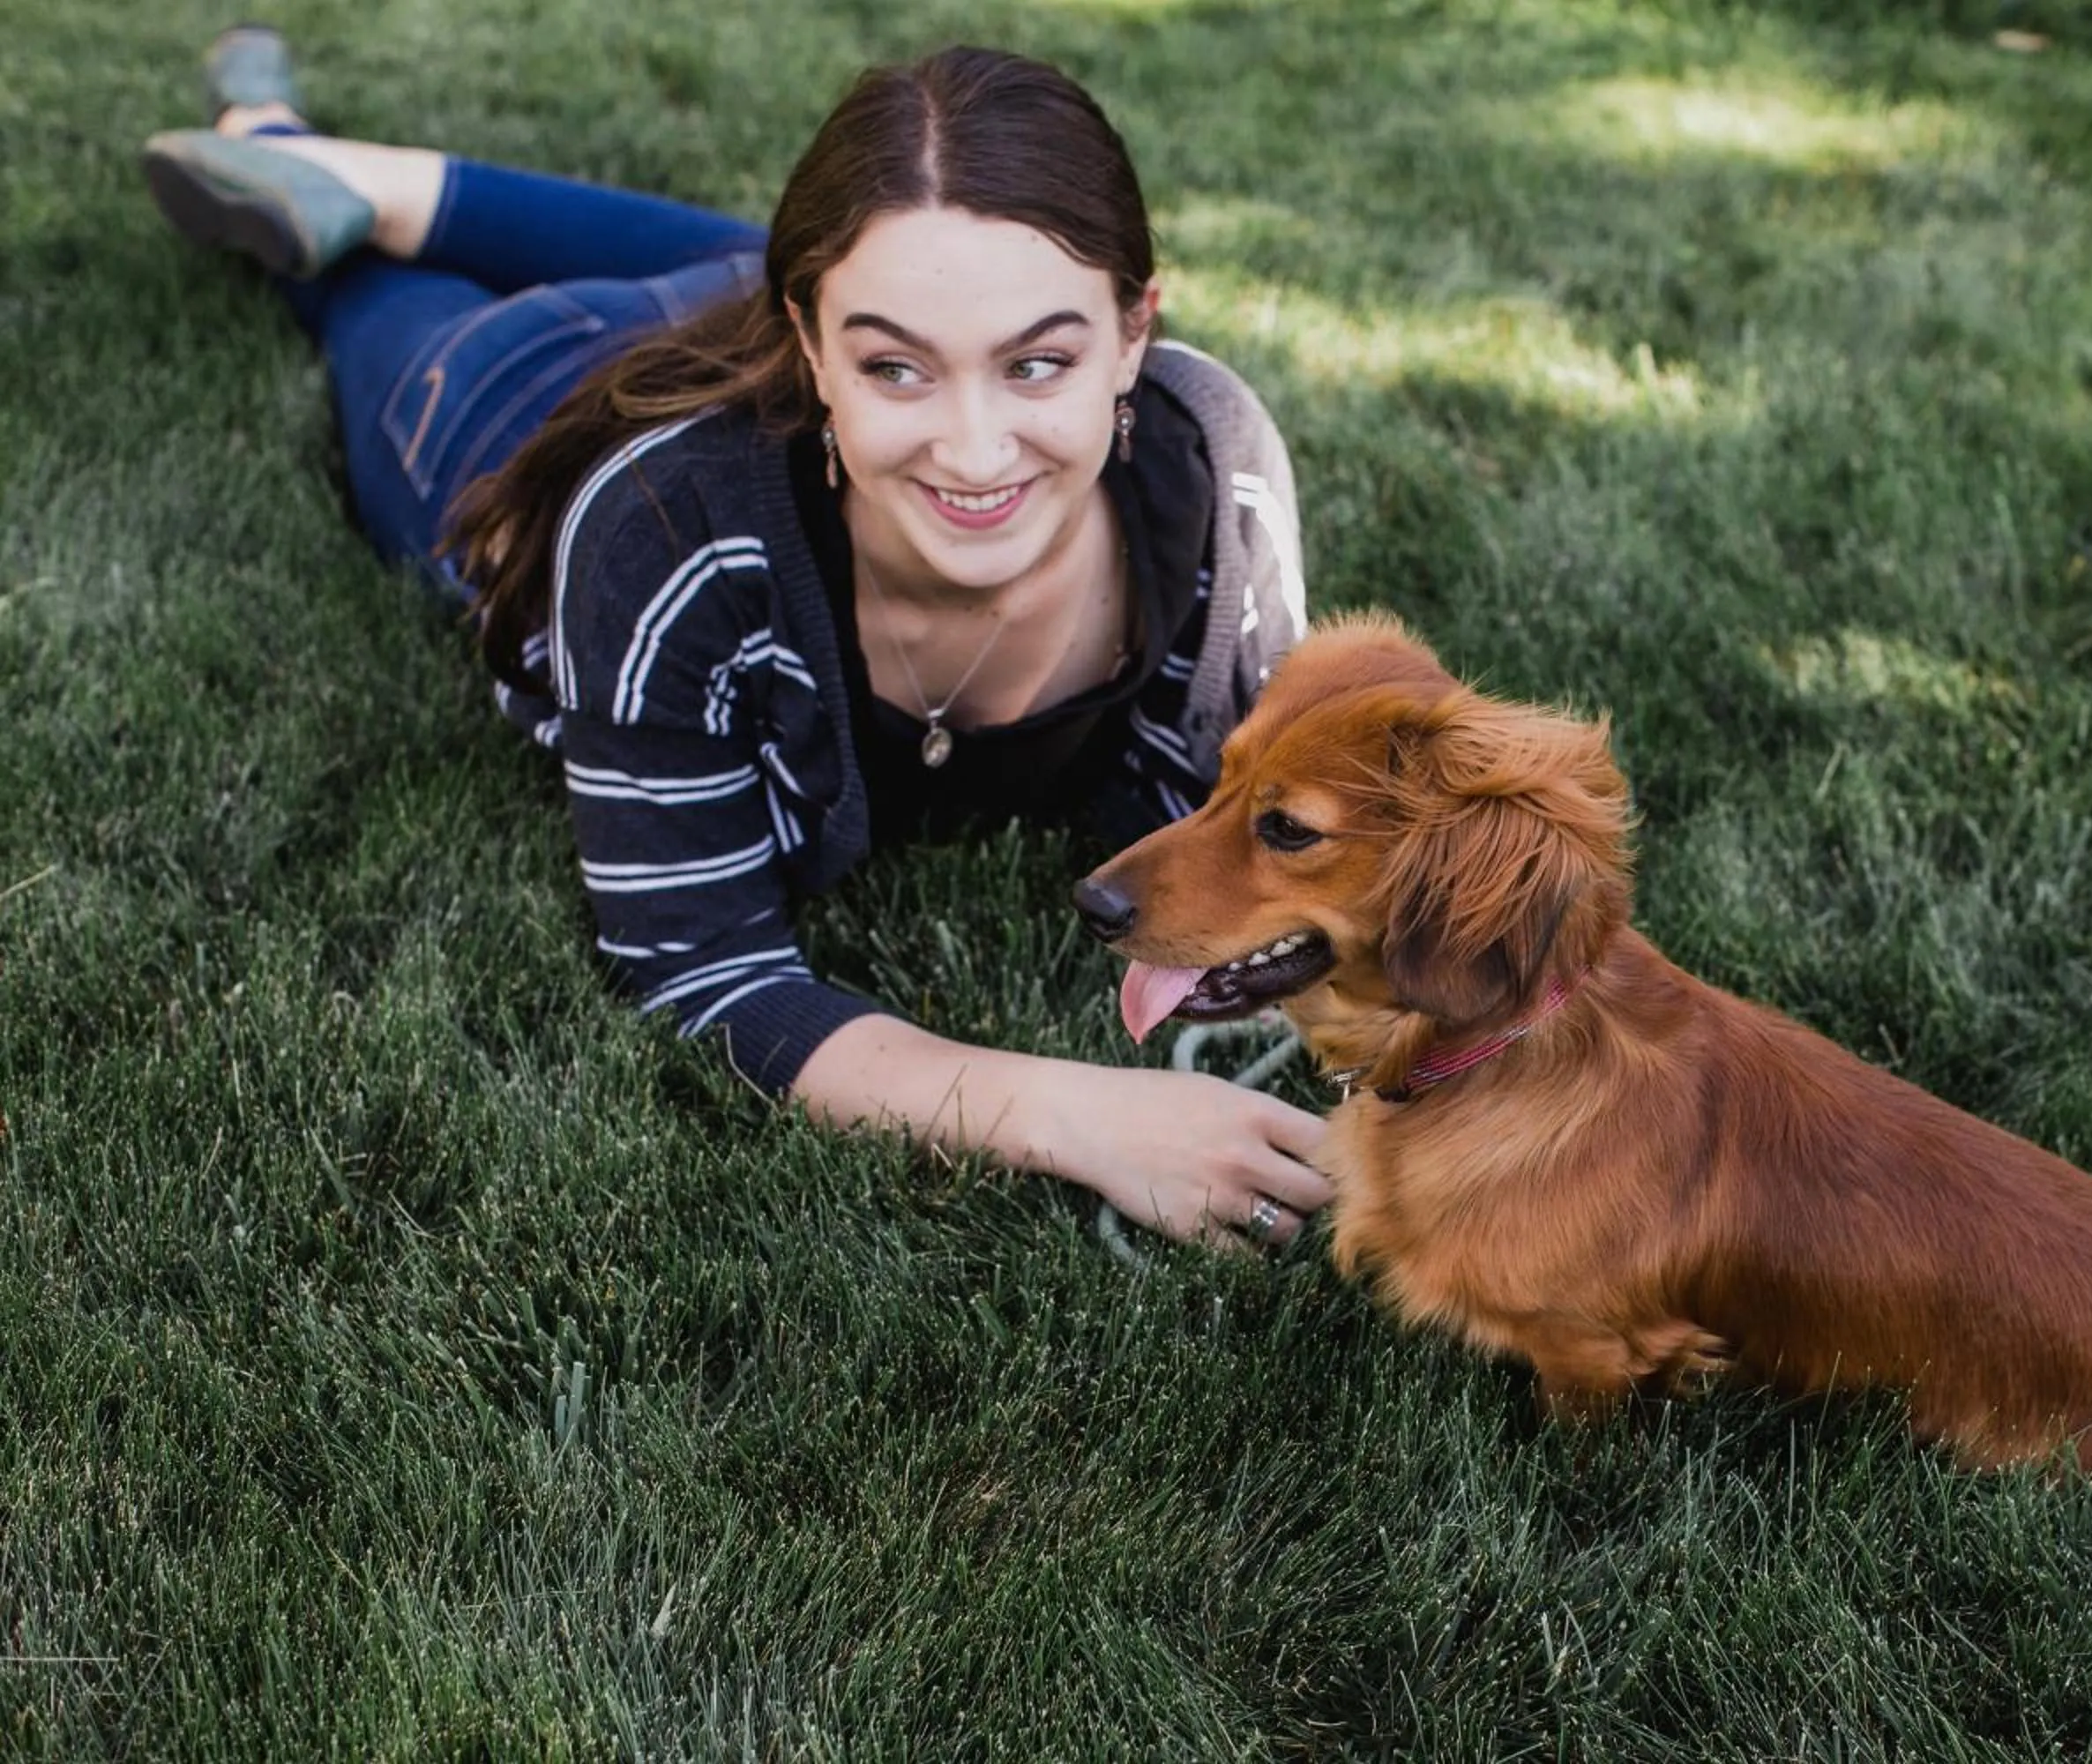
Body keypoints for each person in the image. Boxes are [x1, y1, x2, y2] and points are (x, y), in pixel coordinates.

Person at [139, 29, 1331, 1250]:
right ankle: (291, 162)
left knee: (841, 250)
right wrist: (1069, 1111)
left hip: (759, 317)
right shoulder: (667, 534)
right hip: (506, 395)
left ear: (1136, 332)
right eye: (896, 369)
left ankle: (375, 174)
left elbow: (1266, 813)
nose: (977, 451)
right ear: (813, 349)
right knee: (353, 283)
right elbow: (706, 967)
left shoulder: (1210, 470)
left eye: (1038, 361)